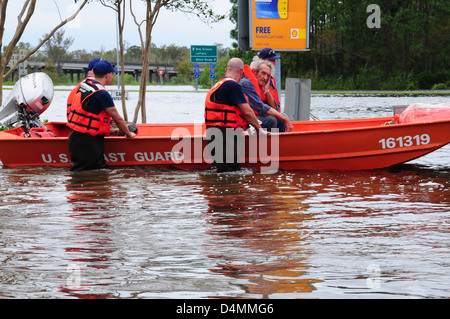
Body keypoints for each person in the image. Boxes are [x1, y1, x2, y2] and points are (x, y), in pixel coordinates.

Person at [67, 59, 136, 171]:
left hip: (76, 136)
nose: (112, 76)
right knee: (86, 171)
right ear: (108, 75)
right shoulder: (102, 93)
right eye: (112, 74)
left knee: (97, 170)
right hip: (87, 140)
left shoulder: (85, 85)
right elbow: (117, 118)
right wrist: (128, 134)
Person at [204, 57, 265, 172]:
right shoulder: (233, 86)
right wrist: (259, 128)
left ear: (226, 69)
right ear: (241, 72)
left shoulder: (219, 84)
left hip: (212, 134)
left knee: (222, 172)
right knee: (230, 173)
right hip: (225, 136)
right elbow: (247, 112)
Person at [240, 59, 293, 132]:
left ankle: (280, 142)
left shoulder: (261, 85)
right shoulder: (247, 83)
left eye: (268, 75)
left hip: (257, 118)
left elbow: (275, 108)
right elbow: (259, 106)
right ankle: (269, 143)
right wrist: (285, 119)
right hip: (245, 120)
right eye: (263, 73)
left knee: (282, 117)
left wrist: (266, 91)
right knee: (271, 119)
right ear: (255, 72)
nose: (265, 78)